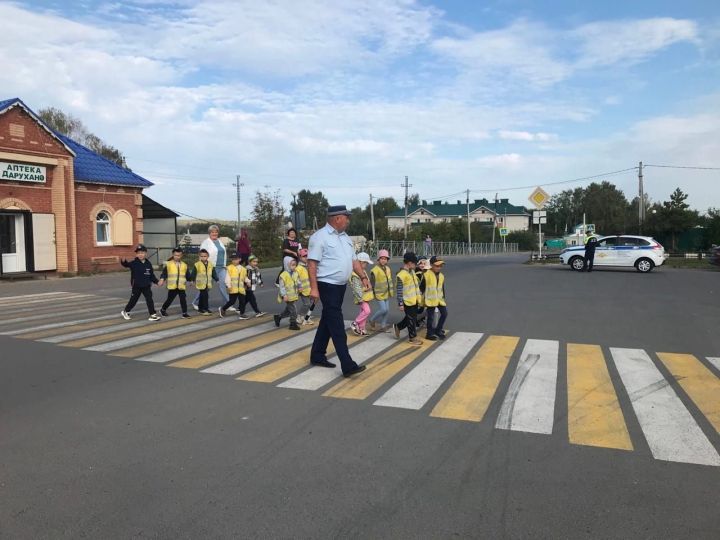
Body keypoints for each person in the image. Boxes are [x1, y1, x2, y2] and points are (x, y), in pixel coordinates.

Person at [307, 205, 367, 377]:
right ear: (337, 218)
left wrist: (363, 277)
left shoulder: (346, 238)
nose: (348, 220)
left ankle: (317, 355)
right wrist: (314, 288)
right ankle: (347, 364)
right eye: (346, 217)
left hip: (340, 286)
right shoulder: (320, 237)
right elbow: (312, 264)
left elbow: (354, 260)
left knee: (328, 319)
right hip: (326, 285)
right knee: (337, 324)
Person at [192, 225, 229, 310]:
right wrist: (202, 267)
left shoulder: (219, 242)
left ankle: (228, 304)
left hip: (221, 267)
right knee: (206, 287)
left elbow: (222, 254)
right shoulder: (206, 242)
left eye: (216, 232)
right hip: (210, 268)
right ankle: (195, 302)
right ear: (209, 233)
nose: (214, 233)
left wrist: (225, 265)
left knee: (223, 285)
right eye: (212, 232)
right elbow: (202, 255)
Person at [120, 244, 161, 321]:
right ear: (136, 254)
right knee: (133, 300)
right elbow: (126, 265)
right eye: (138, 253)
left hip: (146, 285)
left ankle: (152, 314)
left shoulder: (148, 264)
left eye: (142, 253)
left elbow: (151, 275)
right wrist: (123, 260)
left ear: (146, 253)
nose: (140, 254)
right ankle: (126, 311)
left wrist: (157, 282)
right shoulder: (134, 263)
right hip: (137, 286)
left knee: (149, 299)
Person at [392, 252, 422, 346]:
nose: (416, 265)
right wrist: (400, 303)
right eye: (414, 263)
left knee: (411, 318)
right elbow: (399, 291)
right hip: (407, 301)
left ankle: (398, 326)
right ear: (409, 263)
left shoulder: (412, 272)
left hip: (414, 299)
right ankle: (412, 338)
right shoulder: (401, 275)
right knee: (411, 320)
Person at [159, 246, 192, 318]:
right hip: (172, 286)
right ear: (173, 255)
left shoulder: (184, 265)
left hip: (181, 286)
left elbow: (187, 274)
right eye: (175, 255)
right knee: (169, 300)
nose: (177, 257)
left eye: (179, 255)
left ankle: (184, 313)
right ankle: (163, 309)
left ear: (181, 255)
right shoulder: (169, 264)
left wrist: (190, 281)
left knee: (183, 299)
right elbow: (164, 273)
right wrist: (162, 279)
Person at [422, 255, 447, 341]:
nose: (439, 268)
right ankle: (429, 334)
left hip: (440, 299)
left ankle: (438, 330)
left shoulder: (442, 276)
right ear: (431, 265)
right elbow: (421, 288)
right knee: (430, 317)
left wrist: (444, 297)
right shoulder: (426, 275)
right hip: (430, 300)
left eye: (440, 266)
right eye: (437, 266)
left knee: (444, 313)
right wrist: (419, 300)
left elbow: (442, 288)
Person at [368, 249, 393, 332]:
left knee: (387, 310)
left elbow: (389, 280)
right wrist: (372, 293)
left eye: (385, 259)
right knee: (383, 309)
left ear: (387, 260)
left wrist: (391, 291)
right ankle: (372, 320)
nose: (383, 260)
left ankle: (383, 325)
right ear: (378, 259)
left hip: (386, 293)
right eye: (382, 258)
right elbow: (372, 283)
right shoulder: (375, 270)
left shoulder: (388, 269)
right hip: (378, 293)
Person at [273, 256, 301, 331]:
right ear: (287, 265)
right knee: (294, 310)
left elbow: (297, 280)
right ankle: (292, 324)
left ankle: (278, 317)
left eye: (295, 265)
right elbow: (282, 287)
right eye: (292, 265)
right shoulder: (283, 275)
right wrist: (284, 295)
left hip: (293, 295)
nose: (294, 266)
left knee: (288, 310)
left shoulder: (295, 273)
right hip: (287, 296)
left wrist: (299, 286)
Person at [219, 252, 250, 319]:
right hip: (233, 288)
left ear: (240, 259)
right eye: (232, 259)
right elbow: (228, 278)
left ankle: (242, 314)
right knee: (232, 301)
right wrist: (228, 286)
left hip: (241, 289)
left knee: (242, 301)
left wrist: (248, 282)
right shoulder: (229, 268)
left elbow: (244, 277)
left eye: (236, 259)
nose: (234, 261)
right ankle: (223, 309)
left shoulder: (243, 269)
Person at [189, 248, 219, 315]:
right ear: (199, 257)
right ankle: (205, 308)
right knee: (205, 296)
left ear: (207, 256)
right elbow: (193, 273)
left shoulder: (210, 264)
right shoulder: (197, 264)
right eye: (201, 256)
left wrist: (217, 279)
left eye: (205, 256)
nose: (203, 257)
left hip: (207, 283)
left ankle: (200, 309)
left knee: (203, 296)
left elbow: (213, 273)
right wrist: (192, 280)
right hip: (201, 283)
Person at [350, 252, 374, 336]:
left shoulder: (363, 271)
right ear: (360, 262)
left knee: (363, 312)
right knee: (367, 311)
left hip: (366, 296)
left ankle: (362, 329)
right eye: (365, 263)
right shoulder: (355, 274)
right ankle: (355, 323)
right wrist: (360, 298)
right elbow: (356, 287)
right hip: (361, 297)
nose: (366, 265)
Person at [295, 248, 314, 325]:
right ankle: (300, 316)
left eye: (307, 256)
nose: (306, 258)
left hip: (309, 289)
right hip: (303, 290)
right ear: (300, 257)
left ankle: (306, 317)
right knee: (307, 304)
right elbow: (296, 278)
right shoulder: (299, 268)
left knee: (310, 303)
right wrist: (299, 287)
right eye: (304, 256)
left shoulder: (308, 266)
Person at [415, 257, 429, 328]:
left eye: (424, 263)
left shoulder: (425, 272)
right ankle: (416, 320)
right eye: (421, 263)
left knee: (422, 308)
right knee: (420, 309)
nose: (422, 265)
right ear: (417, 264)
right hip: (418, 294)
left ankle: (420, 320)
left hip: (423, 294)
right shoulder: (418, 273)